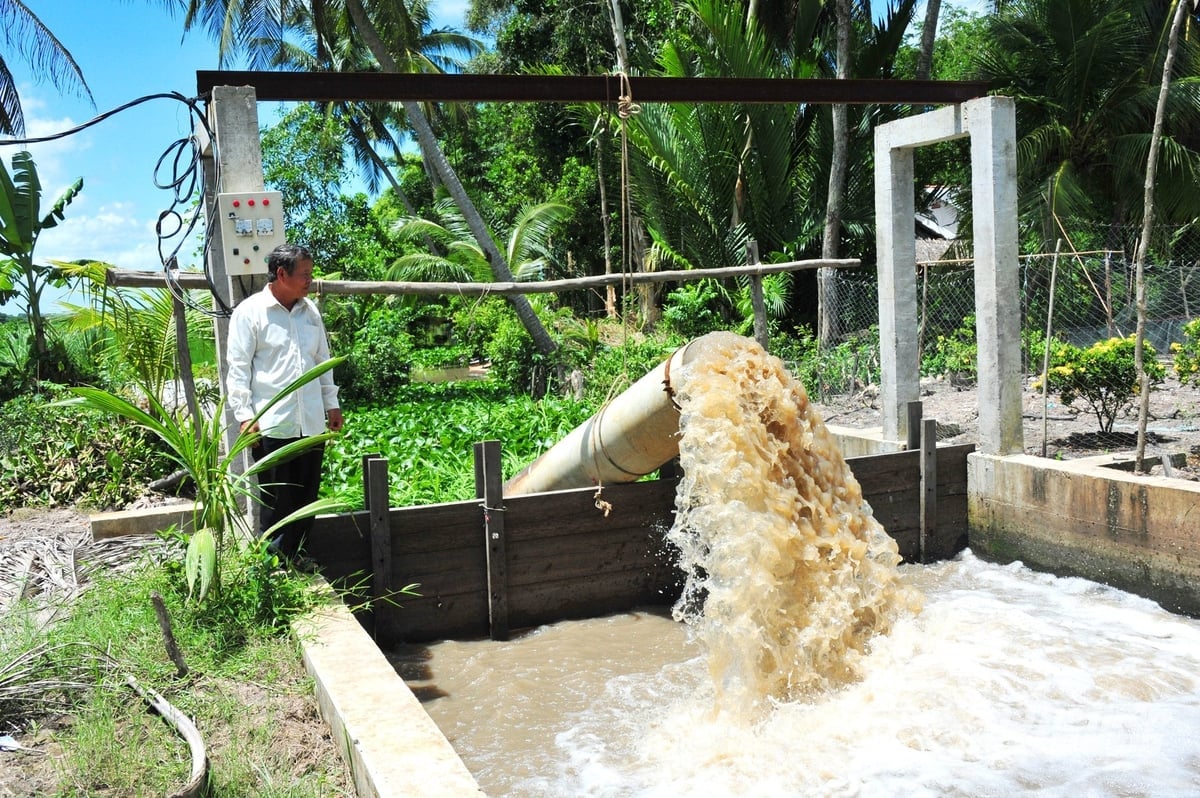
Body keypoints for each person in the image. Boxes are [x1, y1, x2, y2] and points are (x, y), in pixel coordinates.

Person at [225, 243, 344, 564]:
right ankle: (272, 565)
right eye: (304, 274)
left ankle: (298, 557)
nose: (310, 280)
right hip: (272, 424)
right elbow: (238, 370)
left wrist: (331, 404)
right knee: (277, 497)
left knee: (306, 496)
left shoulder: (310, 312)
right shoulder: (250, 312)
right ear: (281, 274)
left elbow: (322, 360)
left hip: (311, 422)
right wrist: (246, 416)